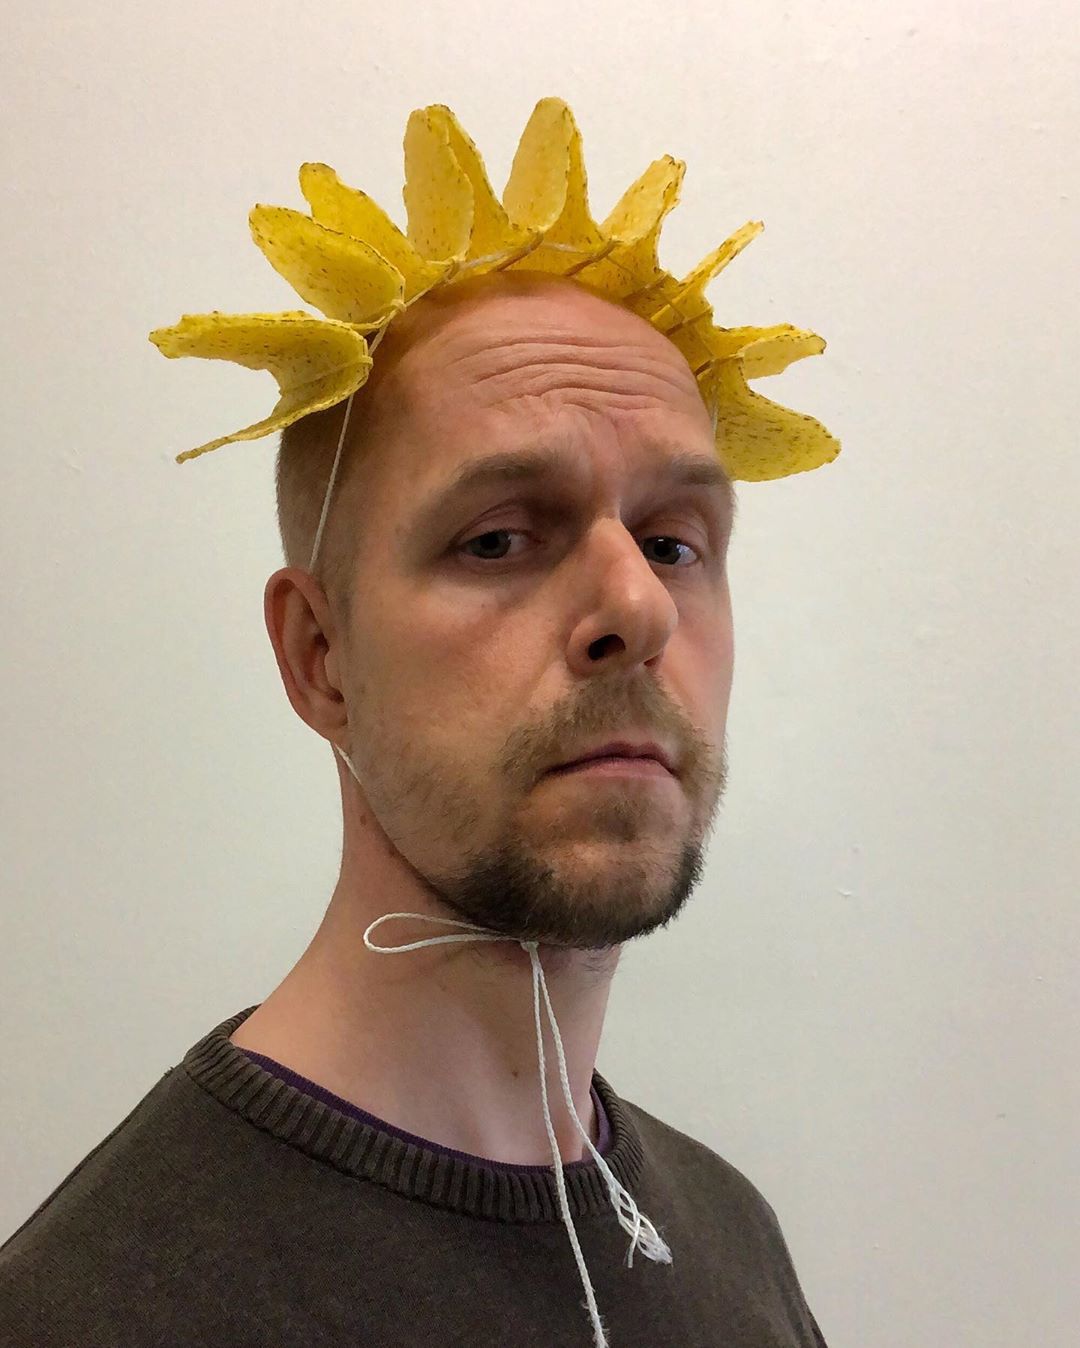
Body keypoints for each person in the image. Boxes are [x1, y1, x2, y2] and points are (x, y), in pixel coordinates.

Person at [2, 97, 837, 1345]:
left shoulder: (732, 1236)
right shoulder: (94, 1312)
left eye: (675, 543)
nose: (638, 607)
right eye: (498, 538)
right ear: (321, 657)